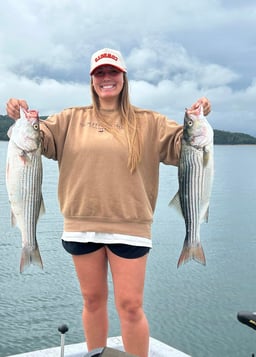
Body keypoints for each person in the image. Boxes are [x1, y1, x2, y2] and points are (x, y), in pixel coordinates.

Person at [6, 47, 211, 357]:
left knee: (130, 306)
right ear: (92, 80)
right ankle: (96, 355)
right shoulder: (70, 119)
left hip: (131, 226)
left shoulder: (150, 121)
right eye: (99, 73)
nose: (106, 78)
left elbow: (183, 146)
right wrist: (21, 115)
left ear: (123, 77)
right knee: (92, 301)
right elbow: (39, 139)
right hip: (81, 225)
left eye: (112, 72)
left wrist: (197, 116)